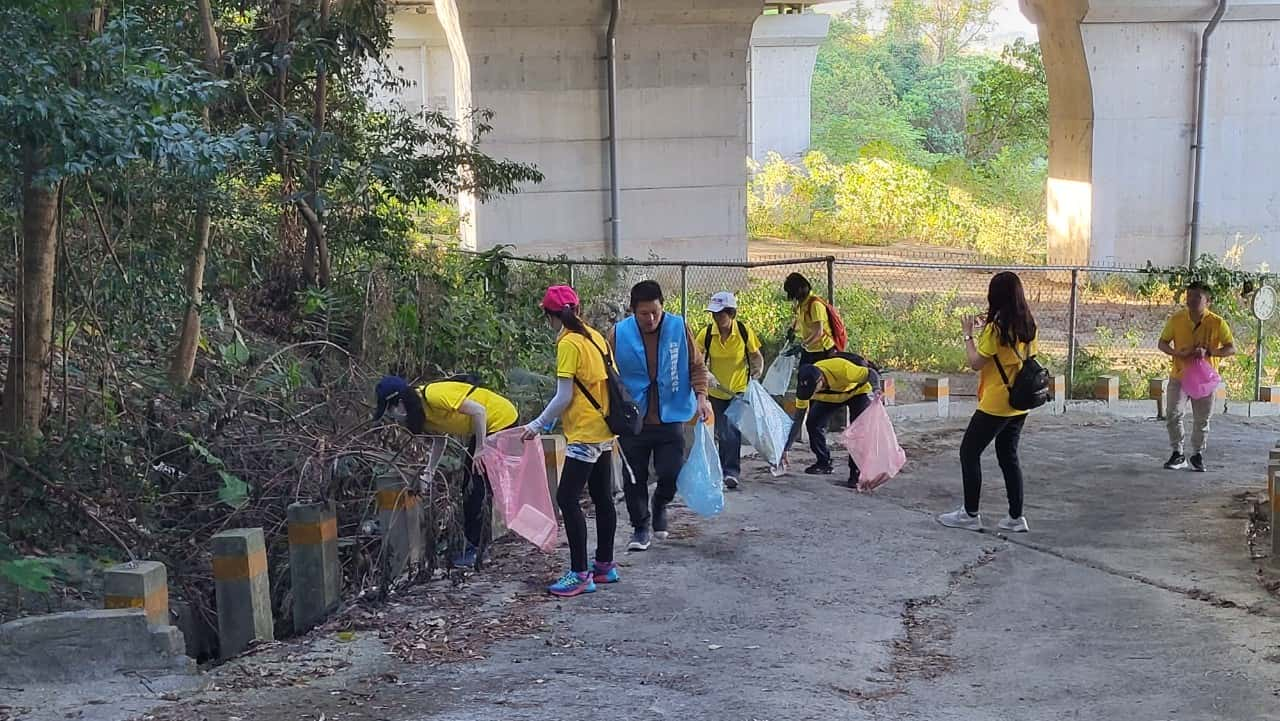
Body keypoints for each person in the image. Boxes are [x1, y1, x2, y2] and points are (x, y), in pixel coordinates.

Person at [521, 285, 620, 598]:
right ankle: (604, 565)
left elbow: (564, 395)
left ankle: (579, 573)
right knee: (603, 497)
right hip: (606, 428)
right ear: (579, 309)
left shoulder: (568, 344)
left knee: (567, 498)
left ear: (550, 316)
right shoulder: (596, 336)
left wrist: (538, 424)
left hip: (584, 433)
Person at [608, 280, 712, 552]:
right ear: (633, 311)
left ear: (662, 307)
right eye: (644, 313)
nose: (651, 318)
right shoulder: (618, 334)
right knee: (635, 478)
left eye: (655, 312)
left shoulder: (679, 328)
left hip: (671, 415)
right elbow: (606, 376)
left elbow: (697, 367)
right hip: (634, 420)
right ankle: (640, 528)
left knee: (671, 473)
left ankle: (660, 503)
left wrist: (702, 399)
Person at [372, 374, 518, 567]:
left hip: (500, 419)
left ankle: (479, 550)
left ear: (399, 404)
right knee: (468, 483)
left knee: (477, 486)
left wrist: (481, 449)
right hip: (484, 428)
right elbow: (439, 441)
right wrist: (429, 473)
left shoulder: (432, 396)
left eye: (390, 411)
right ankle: (474, 545)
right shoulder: (421, 415)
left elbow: (479, 411)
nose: (392, 417)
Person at [937, 271, 1037, 534]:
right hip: (1019, 403)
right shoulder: (1027, 324)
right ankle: (1016, 518)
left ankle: (970, 513)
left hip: (995, 403)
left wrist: (968, 335)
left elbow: (975, 363)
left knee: (969, 453)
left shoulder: (996, 329)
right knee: (1008, 456)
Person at [1158, 280, 1236, 472]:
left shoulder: (1217, 323)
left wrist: (1211, 352)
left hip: (1204, 379)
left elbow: (1231, 348)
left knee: (1202, 419)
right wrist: (1178, 353)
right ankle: (1177, 453)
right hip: (1179, 374)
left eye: (1197, 297)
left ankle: (1197, 454)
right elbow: (1162, 343)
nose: (1192, 300)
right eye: (1189, 296)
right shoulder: (1177, 319)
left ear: (1208, 301)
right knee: (1173, 413)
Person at [701, 291, 765, 489]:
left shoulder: (744, 332)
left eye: (721, 314)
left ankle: (731, 472)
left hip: (737, 390)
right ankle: (722, 470)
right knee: (722, 431)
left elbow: (756, 356)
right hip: (716, 391)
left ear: (731, 314)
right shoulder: (707, 334)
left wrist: (757, 371)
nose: (717, 318)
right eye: (714, 314)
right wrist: (706, 374)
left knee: (730, 430)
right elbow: (696, 358)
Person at [794, 355, 879, 487]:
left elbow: (871, 373)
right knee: (813, 423)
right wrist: (785, 449)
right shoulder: (805, 390)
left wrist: (876, 389)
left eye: (812, 391)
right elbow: (798, 419)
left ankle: (856, 474)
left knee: (859, 431)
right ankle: (823, 463)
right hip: (830, 398)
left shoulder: (843, 369)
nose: (810, 395)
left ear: (820, 380)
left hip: (857, 392)